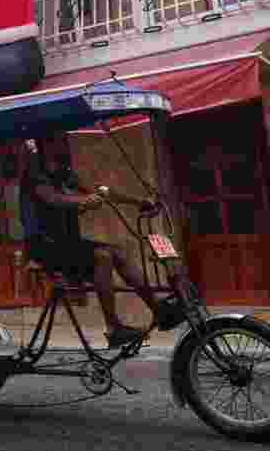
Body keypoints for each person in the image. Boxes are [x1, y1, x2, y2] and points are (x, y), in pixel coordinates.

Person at [20, 134, 184, 348]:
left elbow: (101, 191)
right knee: (102, 255)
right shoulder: (35, 173)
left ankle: (159, 311)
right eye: (58, 141)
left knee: (119, 251)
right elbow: (51, 198)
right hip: (44, 247)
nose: (63, 146)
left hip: (68, 244)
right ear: (46, 144)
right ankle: (114, 327)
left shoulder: (64, 172)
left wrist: (138, 202)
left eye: (63, 141)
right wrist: (82, 200)